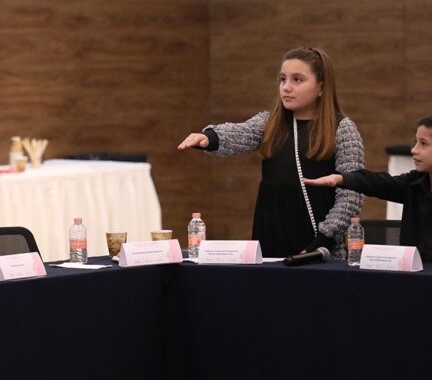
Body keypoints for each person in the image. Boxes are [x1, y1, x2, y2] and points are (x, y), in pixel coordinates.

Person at [177, 47, 365, 258]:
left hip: (318, 247)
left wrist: (323, 239)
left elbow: (351, 196)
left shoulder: (342, 128)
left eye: (297, 80)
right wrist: (210, 138)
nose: (286, 87)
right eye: (283, 79)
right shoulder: (270, 122)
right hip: (270, 239)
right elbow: (241, 133)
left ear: (321, 87)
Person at [303, 115, 432, 261]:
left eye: (423, 143)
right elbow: (378, 182)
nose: (414, 150)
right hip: (414, 272)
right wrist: (340, 178)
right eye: (415, 142)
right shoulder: (415, 182)